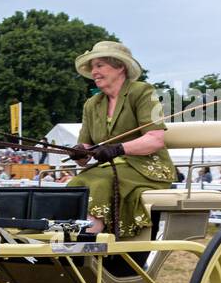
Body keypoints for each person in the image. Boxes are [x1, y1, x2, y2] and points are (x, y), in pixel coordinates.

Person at [65, 41, 177, 236]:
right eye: (92, 67)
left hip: (144, 168)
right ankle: (70, 238)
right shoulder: (92, 104)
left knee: (99, 183)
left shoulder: (143, 92)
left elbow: (155, 140)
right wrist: (78, 152)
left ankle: (87, 241)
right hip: (107, 169)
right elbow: (86, 148)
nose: (94, 72)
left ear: (120, 67)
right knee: (74, 184)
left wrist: (119, 148)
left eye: (100, 65)